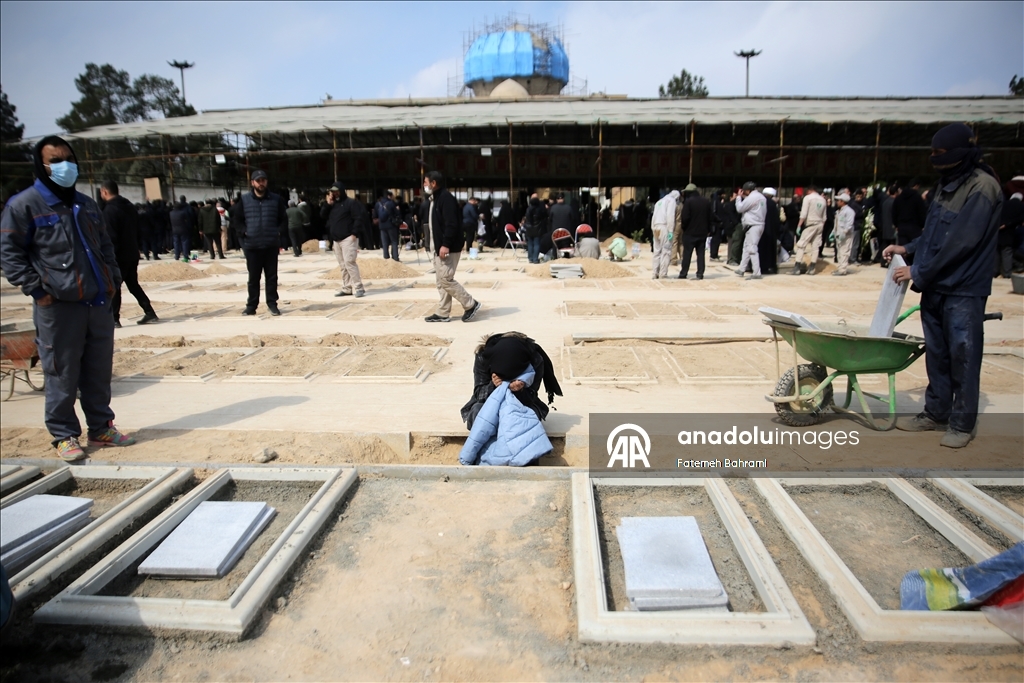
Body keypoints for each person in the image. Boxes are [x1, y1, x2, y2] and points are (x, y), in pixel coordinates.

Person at [0, 136, 135, 461]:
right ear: (42, 166)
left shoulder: (85, 204)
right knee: (61, 371)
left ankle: (101, 427)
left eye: (68, 159)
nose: (65, 166)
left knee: (98, 369)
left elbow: (104, 245)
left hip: (96, 303)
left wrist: (112, 280)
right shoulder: (25, 205)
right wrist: (38, 291)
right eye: (56, 160)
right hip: (58, 307)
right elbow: (9, 253)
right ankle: (64, 435)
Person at [884, 123, 1003, 448]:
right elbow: (936, 235)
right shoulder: (944, 185)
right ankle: (935, 412)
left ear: (959, 150)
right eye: (933, 153)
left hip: (963, 289)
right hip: (936, 286)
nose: (935, 158)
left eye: (940, 153)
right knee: (936, 353)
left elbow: (960, 242)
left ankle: (962, 424)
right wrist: (907, 248)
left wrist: (917, 272)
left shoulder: (982, 187)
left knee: (963, 355)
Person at [459, 332, 562, 466]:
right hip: (487, 403)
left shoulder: (534, 359)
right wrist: (494, 385)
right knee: (478, 413)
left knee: (529, 418)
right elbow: (479, 393)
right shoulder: (484, 356)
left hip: (522, 403)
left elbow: (531, 395)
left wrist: (520, 388)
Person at [423, 171, 480, 323]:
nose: (424, 185)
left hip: (447, 247)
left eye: (426, 182)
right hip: (438, 247)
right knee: (440, 281)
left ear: (434, 183)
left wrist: (445, 244)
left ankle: (470, 304)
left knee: (446, 279)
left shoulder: (446, 199)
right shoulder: (435, 199)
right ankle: (443, 312)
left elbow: (451, 224)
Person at [99, 180, 158, 328]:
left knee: (115, 286)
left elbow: (111, 236)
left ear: (105, 192)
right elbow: (138, 229)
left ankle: (114, 318)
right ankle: (149, 312)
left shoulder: (110, 211)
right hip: (132, 252)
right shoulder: (130, 207)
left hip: (119, 255)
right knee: (133, 284)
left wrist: (109, 256)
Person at [232, 170, 286, 316]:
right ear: (252, 183)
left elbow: (283, 218)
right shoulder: (244, 200)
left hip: (270, 245)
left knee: (272, 277)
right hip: (252, 246)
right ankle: (251, 306)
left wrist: (278, 231)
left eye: (263, 180)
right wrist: (244, 232)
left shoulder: (276, 199)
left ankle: (272, 304)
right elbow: (237, 220)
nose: (261, 183)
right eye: (258, 180)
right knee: (253, 278)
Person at [322, 181, 365, 298]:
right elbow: (322, 216)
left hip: (348, 238)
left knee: (349, 262)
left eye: (336, 191)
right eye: (333, 192)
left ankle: (359, 287)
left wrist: (354, 234)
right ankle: (346, 288)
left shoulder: (351, 203)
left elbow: (358, 218)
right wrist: (327, 204)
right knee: (342, 265)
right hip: (336, 240)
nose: (335, 194)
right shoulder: (332, 205)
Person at [678, 184, 714, 280]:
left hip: (690, 232)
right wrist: (708, 230)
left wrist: (684, 228)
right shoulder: (706, 201)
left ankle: (683, 273)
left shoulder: (688, 202)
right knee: (701, 254)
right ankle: (700, 273)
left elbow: (685, 218)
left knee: (687, 254)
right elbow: (710, 217)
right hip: (702, 233)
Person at [792, 185, 827, 275]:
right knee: (816, 247)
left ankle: (797, 267)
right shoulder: (823, 199)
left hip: (810, 224)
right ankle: (812, 268)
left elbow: (803, 214)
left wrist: (799, 225)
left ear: (810, 190)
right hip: (820, 224)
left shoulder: (808, 198)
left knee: (801, 245)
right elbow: (824, 217)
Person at [735, 181, 766, 279]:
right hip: (758, 224)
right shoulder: (761, 197)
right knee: (746, 247)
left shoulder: (752, 197)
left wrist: (738, 198)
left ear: (748, 190)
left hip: (753, 225)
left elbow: (740, 208)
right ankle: (742, 268)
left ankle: (757, 272)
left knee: (752, 249)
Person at [650, 189, 679, 279]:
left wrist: (652, 229)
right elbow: (670, 216)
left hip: (655, 227)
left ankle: (655, 273)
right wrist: (670, 230)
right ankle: (663, 273)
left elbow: (653, 217)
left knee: (657, 251)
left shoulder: (659, 202)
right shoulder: (672, 201)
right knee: (666, 251)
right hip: (664, 227)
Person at [832, 193, 855, 276]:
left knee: (844, 252)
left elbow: (850, 223)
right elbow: (837, 223)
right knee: (839, 252)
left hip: (846, 235)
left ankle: (843, 270)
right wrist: (833, 232)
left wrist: (844, 232)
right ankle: (840, 267)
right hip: (839, 234)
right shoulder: (839, 211)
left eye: (838, 200)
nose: (837, 202)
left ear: (843, 201)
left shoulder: (849, 211)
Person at [375, 190, 400, 262]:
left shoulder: (378, 204)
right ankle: (395, 258)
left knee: (385, 243)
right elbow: (397, 213)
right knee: (394, 242)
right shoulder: (391, 203)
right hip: (391, 225)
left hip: (382, 226)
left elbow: (375, 215)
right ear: (389, 196)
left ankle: (386, 259)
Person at [760, 187, 780, 275]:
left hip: (758, 228)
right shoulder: (772, 204)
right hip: (770, 230)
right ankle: (768, 267)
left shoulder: (759, 202)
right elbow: (776, 220)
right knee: (768, 249)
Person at [523, 194, 546, 264]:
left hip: (529, 229)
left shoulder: (528, 209)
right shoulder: (539, 209)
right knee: (536, 244)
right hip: (537, 229)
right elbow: (544, 217)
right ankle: (535, 259)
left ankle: (530, 258)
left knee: (530, 244)